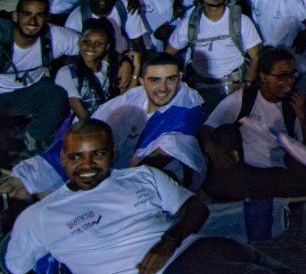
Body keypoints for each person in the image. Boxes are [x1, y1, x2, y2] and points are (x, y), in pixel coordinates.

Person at [2, 120, 306, 274]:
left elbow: (194, 209)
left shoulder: (139, 178)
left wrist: (168, 241)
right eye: (77, 157)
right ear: (62, 159)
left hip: (199, 251)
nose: (88, 165)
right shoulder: (40, 217)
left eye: (98, 154)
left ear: (111, 154)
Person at [5, 52, 207, 198]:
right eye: (155, 80)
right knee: (22, 187)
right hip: (115, 172)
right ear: (143, 81)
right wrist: (29, 175)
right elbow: (89, 133)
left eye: (170, 79)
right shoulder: (131, 98)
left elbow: (158, 159)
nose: (163, 88)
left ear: (179, 79)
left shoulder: (189, 104)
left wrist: (104, 190)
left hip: (153, 179)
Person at [200, 49, 306, 201]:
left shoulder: (295, 104)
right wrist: (214, 150)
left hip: (276, 171)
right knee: (225, 134)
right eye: (282, 77)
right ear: (263, 77)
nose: (289, 82)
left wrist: (303, 117)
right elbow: (207, 129)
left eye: (292, 75)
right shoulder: (244, 98)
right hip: (242, 168)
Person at [166, 0, 263, 113]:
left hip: (234, 87)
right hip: (201, 90)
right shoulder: (190, 23)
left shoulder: (241, 20)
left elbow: (257, 57)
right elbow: (168, 54)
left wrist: (247, 84)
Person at [0, 0, 75, 159]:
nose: (32, 22)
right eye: (27, 14)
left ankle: (34, 139)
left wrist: (125, 62)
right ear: (15, 16)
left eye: (39, 16)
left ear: (47, 18)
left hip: (32, 92)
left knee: (56, 95)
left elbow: (90, 43)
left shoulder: (56, 36)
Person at [55, 18, 129, 120]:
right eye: (86, 41)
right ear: (80, 42)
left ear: (107, 46)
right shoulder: (67, 73)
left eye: (99, 43)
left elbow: (125, 100)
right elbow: (82, 115)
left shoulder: (108, 69)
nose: (91, 47)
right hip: (83, 129)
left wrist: (134, 67)